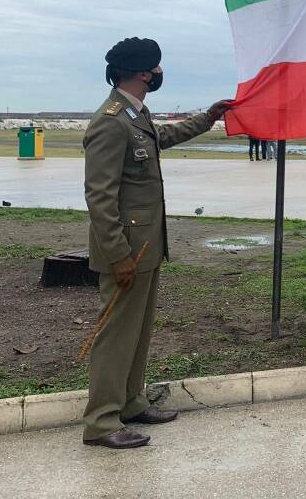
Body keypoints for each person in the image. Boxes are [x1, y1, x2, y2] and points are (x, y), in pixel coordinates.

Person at [82, 37, 232, 449]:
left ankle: (130, 402)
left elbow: (162, 137)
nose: (161, 73)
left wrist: (208, 118)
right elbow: (99, 196)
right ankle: (101, 420)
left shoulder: (135, 114)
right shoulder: (111, 122)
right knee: (115, 335)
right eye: (157, 67)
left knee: (138, 332)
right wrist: (118, 255)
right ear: (144, 73)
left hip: (145, 246)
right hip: (126, 250)